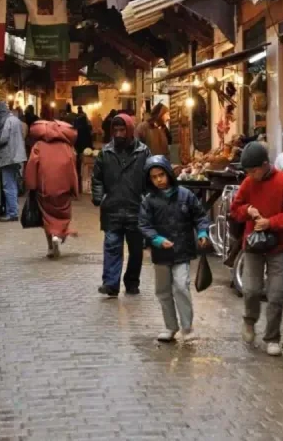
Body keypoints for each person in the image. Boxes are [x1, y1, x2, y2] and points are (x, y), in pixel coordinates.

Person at [229, 142, 283, 357]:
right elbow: (235, 209)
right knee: (251, 289)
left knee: (277, 294)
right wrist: (247, 210)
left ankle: (272, 337)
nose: (251, 175)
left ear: (264, 165)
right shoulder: (248, 183)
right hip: (253, 244)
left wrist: (271, 223)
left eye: (253, 171)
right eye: (248, 172)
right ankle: (250, 320)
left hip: (278, 245)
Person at [139, 155, 210, 342]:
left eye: (161, 175)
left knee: (181, 286)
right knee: (162, 290)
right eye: (154, 177)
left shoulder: (186, 195)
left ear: (168, 173)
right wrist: (156, 239)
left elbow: (200, 216)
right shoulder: (149, 201)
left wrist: (203, 233)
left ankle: (187, 327)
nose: (158, 180)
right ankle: (170, 326)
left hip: (182, 251)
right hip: (161, 253)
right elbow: (144, 225)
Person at [92, 113, 152, 297]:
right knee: (112, 246)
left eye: (122, 130)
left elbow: (150, 177)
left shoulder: (143, 152)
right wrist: (99, 197)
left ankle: (132, 281)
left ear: (130, 130)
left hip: (136, 208)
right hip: (113, 209)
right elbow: (97, 178)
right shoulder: (106, 152)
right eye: (115, 130)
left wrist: (147, 199)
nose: (118, 133)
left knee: (135, 250)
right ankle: (110, 283)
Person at [25, 120, 79, 258]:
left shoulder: (38, 145)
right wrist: (74, 188)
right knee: (63, 214)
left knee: (47, 218)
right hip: (63, 188)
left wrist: (31, 185)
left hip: (44, 189)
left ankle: (50, 245)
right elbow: (72, 169)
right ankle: (59, 235)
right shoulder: (67, 147)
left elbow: (32, 165)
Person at [0, 100, 27, 222]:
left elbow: (2, 139)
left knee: (8, 185)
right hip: (17, 156)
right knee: (13, 184)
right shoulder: (16, 120)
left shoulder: (6, 121)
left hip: (8, 157)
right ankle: (13, 210)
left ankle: (12, 213)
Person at [74, 105, 93, 193]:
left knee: (77, 170)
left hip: (78, 151)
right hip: (85, 151)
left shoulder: (77, 128)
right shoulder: (86, 128)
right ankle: (83, 186)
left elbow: (75, 140)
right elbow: (89, 140)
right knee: (84, 170)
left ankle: (78, 187)